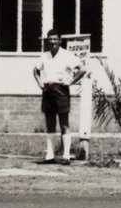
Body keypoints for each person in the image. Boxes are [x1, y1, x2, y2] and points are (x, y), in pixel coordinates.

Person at [33, 29, 85, 164]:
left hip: (61, 90)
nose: (52, 42)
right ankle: (50, 156)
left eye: (55, 39)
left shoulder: (67, 55)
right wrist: (39, 82)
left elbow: (82, 69)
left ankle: (66, 156)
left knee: (64, 123)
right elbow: (35, 70)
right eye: (50, 39)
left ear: (60, 40)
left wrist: (71, 81)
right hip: (48, 90)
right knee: (50, 124)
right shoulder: (44, 55)